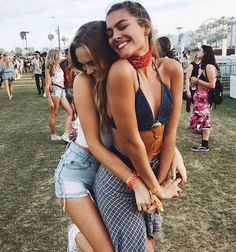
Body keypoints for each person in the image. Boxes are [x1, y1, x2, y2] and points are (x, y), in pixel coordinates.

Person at [55, 20, 186, 251]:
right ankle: (77, 235)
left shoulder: (127, 78)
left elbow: (145, 129)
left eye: (91, 62)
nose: (88, 70)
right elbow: (95, 145)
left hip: (110, 169)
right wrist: (137, 185)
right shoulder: (84, 82)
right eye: (82, 64)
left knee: (143, 242)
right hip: (79, 172)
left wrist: (174, 152)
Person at [93, 1, 184, 251]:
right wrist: (157, 189)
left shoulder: (172, 69)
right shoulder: (121, 71)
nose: (115, 37)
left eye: (122, 27)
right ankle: (80, 240)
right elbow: (132, 142)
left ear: (145, 26)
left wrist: (160, 183)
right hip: (121, 178)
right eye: (110, 33)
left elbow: (171, 133)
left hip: (153, 171)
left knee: (148, 242)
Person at [190, 45, 218, 152]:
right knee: (202, 119)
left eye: (200, 50)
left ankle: (205, 145)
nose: (198, 52)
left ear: (205, 53)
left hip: (204, 97)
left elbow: (212, 84)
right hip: (200, 96)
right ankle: (203, 143)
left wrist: (197, 80)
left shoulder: (209, 66)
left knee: (205, 119)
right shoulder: (204, 65)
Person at [45, 48, 73, 142]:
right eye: (58, 54)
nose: (60, 55)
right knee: (54, 113)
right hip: (55, 91)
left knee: (70, 112)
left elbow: (66, 57)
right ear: (54, 55)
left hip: (62, 91)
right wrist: (49, 100)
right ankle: (53, 135)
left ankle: (65, 134)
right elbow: (47, 85)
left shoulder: (58, 63)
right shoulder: (49, 68)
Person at [185, 48, 201, 121]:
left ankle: (198, 122)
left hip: (201, 88)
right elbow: (187, 79)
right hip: (193, 88)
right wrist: (188, 90)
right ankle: (192, 122)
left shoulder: (202, 65)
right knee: (193, 106)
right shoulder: (191, 66)